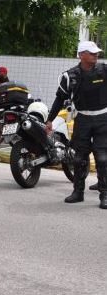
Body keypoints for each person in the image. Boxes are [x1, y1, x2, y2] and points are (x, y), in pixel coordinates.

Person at [46, 41, 107, 208]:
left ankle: (105, 194)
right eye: (91, 52)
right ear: (81, 55)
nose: (96, 55)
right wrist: (50, 120)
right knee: (78, 158)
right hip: (83, 119)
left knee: (102, 158)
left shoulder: (104, 70)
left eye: (96, 52)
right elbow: (59, 99)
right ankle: (78, 192)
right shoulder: (69, 76)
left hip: (103, 119)